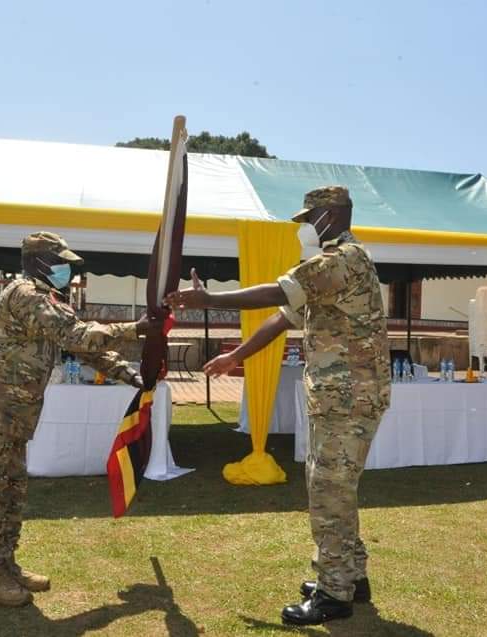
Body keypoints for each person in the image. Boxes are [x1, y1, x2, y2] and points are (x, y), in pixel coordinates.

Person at [167, 186, 390, 626]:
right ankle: (349, 574)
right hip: (341, 397)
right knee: (334, 487)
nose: (303, 228)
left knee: (329, 489)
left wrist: (210, 300)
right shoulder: (331, 269)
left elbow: (274, 293)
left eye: (309, 218)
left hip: (349, 398)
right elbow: (281, 317)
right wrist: (238, 355)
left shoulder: (341, 261)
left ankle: (334, 593)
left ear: (331, 216)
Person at [0, 231, 160, 606]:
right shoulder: (26, 294)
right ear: (39, 262)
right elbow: (77, 334)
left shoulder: (48, 300)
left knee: (11, 491)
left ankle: (6, 565)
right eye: (60, 262)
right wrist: (135, 329)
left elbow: (80, 347)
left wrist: (131, 376)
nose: (67, 269)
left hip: (11, 415)